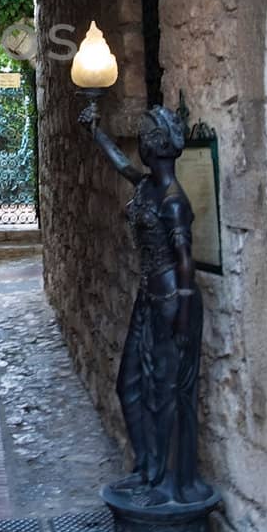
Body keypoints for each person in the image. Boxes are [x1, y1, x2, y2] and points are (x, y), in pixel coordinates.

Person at [78, 102, 208, 505]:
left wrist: (183, 319)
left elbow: (185, 261)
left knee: (166, 394)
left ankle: (168, 482)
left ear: (157, 147)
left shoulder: (172, 201)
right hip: (148, 297)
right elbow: (121, 165)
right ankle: (147, 467)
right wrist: (97, 132)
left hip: (171, 300)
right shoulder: (147, 185)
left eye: (146, 138)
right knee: (129, 386)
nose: (140, 147)